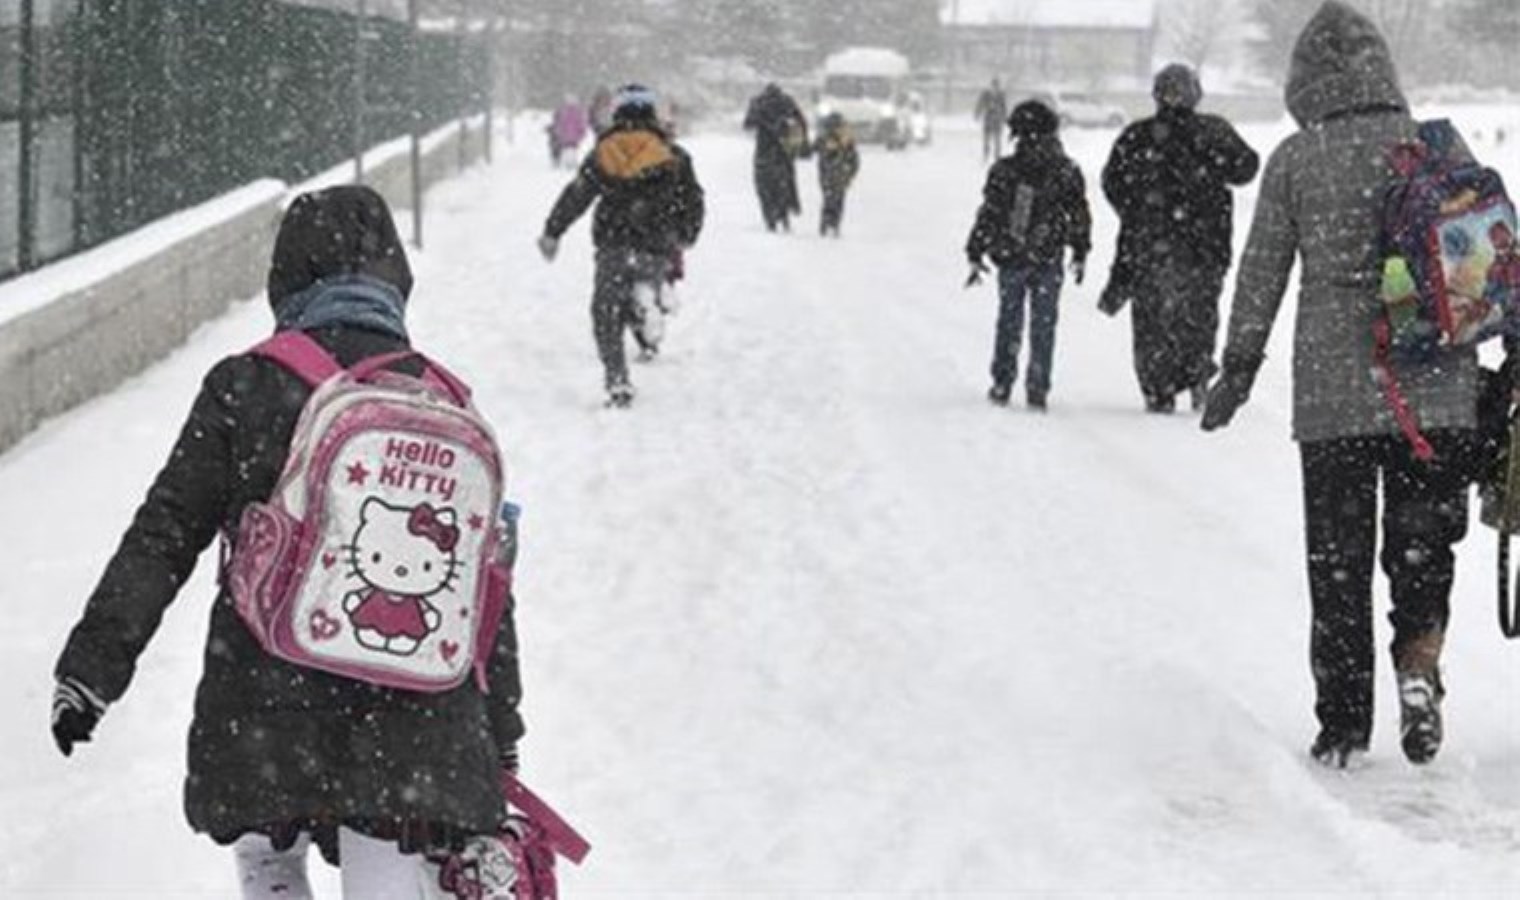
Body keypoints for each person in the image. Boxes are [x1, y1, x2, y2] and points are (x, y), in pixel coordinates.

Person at [48, 185, 525, 897]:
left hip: (264, 699)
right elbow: (482, 588)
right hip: (413, 717)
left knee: (268, 851)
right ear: (394, 278)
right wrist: (500, 729)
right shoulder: (442, 400)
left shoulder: (245, 385)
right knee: (389, 854)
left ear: (287, 278)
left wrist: (92, 669)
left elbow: (165, 532)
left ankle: (272, 871)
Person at [1200, 1, 1476, 768]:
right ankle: (1419, 667)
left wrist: (1238, 368)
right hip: (1437, 391)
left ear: (1303, 81)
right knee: (1422, 548)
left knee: (1339, 563)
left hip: (1335, 398)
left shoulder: (1297, 158)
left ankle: (1344, 723)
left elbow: (1261, 274)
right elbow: (1480, 265)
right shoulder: (1430, 148)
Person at [1100, 64, 1259, 413]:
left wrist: (1137, 211)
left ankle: (1159, 388)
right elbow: (1247, 167)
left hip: (1149, 246)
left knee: (1152, 320)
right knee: (1199, 315)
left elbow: (1112, 182)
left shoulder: (1137, 136)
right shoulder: (1213, 131)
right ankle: (1196, 372)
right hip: (1205, 246)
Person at [537, 84, 705, 408]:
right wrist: (686, 234)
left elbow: (577, 195)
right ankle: (649, 307)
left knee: (606, 311)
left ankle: (617, 378)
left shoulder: (604, 152)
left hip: (614, 242)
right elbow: (693, 201)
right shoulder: (674, 156)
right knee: (644, 284)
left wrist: (552, 232)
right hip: (656, 244)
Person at [965, 99, 1092, 410]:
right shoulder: (1066, 170)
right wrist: (1080, 249)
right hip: (1049, 257)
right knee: (1044, 324)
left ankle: (1002, 381)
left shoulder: (1006, 170)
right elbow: (1079, 213)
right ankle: (1037, 386)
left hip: (1012, 255)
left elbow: (990, 213)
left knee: (1009, 320)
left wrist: (976, 248)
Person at [743, 83, 809, 232]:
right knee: (785, 183)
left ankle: (770, 218)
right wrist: (802, 143)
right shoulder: (787, 102)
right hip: (784, 150)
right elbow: (802, 122)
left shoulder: (758, 102)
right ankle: (785, 212)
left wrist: (762, 122)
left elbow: (747, 124)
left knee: (764, 186)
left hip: (764, 151)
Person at [813, 112, 860, 238]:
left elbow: (854, 159)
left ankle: (831, 223)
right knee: (832, 199)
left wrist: (851, 172)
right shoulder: (826, 139)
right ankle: (829, 223)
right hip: (833, 175)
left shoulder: (845, 140)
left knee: (835, 199)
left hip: (837, 175)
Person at [547, 95, 590, 168]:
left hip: (566, 135)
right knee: (573, 149)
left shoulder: (564, 112)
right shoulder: (578, 112)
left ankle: (569, 163)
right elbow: (581, 123)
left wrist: (559, 132)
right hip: (574, 136)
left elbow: (560, 124)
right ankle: (572, 162)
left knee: (568, 150)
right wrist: (582, 132)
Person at [974, 77, 1009, 163]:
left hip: (997, 120)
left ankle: (997, 156)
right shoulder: (985, 94)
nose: (995, 88)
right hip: (988, 119)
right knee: (986, 139)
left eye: (996, 86)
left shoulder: (1001, 95)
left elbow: (1004, 107)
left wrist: (1005, 117)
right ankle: (985, 155)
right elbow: (980, 104)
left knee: (997, 139)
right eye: (994, 85)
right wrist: (977, 113)